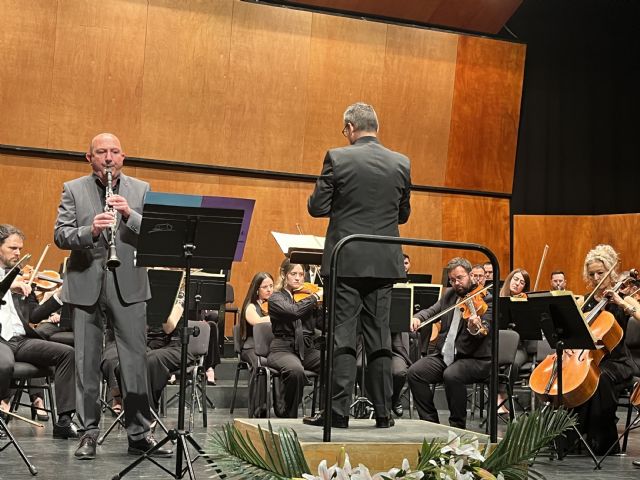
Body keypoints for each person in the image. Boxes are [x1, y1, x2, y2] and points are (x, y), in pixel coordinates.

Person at [54, 133, 171, 460]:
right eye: (101, 152)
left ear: (124, 156)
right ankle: (88, 433)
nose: (109, 157)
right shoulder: (73, 189)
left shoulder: (141, 189)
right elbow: (60, 234)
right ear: (88, 157)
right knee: (86, 363)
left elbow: (158, 234)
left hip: (129, 284)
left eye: (115, 152)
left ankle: (138, 433)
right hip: (86, 282)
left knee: (135, 363)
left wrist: (129, 215)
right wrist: (89, 231)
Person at [305, 102, 411, 429]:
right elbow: (403, 215)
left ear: (350, 127)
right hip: (384, 262)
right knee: (380, 337)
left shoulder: (338, 158)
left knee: (342, 337)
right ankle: (384, 413)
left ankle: (337, 413)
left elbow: (317, 206)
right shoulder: (401, 163)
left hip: (346, 261)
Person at [0, 224, 78, 439]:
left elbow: (34, 316)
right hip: (0, 341)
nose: (18, 253)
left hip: (20, 340)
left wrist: (60, 295)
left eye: (20, 248)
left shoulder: (21, 277)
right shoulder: (11, 280)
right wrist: (6, 284)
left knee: (66, 353)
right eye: (13, 248)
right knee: (3, 363)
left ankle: (64, 421)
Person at [566, 244, 635, 455]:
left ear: (611, 271)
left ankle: (603, 442)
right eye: (592, 274)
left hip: (617, 362)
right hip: (589, 359)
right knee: (576, 380)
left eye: (600, 273)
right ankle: (575, 436)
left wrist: (622, 303)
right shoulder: (585, 301)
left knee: (600, 379)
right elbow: (575, 331)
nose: (596, 278)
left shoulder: (623, 297)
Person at [407, 257, 492, 429]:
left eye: (460, 278)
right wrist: (417, 317)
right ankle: (431, 424)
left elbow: (484, 330)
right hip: (446, 355)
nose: (456, 283)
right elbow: (432, 310)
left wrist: (474, 327)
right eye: (453, 279)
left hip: (475, 359)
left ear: (471, 275)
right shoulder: (450, 295)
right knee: (414, 372)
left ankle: (457, 426)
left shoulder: (486, 299)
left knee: (452, 375)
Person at [267, 260, 322, 418]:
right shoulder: (276, 298)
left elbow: (320, 324)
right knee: (295, 371)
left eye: (301, 274)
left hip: (306, 347)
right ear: (284, 275)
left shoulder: (306, 298)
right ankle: (288, 413)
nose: (298, 278)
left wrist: (324, 309)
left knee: (332, 364)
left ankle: (325, 412)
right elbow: (293, 311)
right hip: (282, 348)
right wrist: (314, 298)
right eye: (293, 274)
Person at [498, 268, 531, 413]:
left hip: (519, 347)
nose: (517, 283)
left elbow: (530, 330)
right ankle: (498, 398)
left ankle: (502, 396)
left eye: (522, 282)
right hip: (498, 345)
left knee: (513, 363)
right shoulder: (497, 299)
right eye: (515, 279)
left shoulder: (526, 303)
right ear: (509, 279)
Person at [238, 272, 274, 369]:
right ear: (257, 290)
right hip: (251, 347)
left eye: (271, 286)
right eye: (265, 287)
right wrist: (276, 316)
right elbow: (257, 322)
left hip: (269, 347)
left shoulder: (273, 304)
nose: (269, 290)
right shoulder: (251, 306)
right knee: (259, 364)